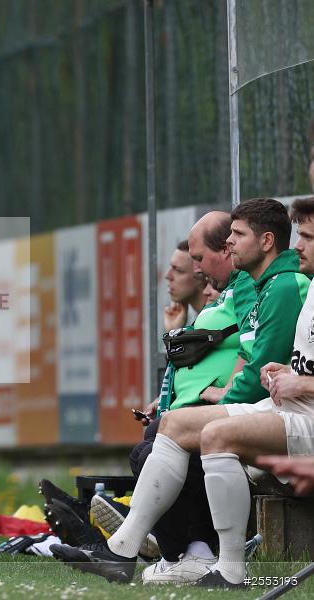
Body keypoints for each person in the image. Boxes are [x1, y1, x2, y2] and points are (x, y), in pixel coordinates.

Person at [52, 197, 310, 587]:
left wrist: (291, 382)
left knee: (201, 434)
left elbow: (259, 364)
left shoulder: (285, 286)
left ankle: (209, 559)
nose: (299, 246)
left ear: (266, 240)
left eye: (238, 235)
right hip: (286, 408)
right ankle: (124, 549)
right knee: (170, 425)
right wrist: (288, 374)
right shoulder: (276, 286)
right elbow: (276, 361)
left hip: (299, 415)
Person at [122, 223, 253, 585]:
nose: (194, 270)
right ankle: (175, 549)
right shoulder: (232, 294)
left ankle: (181, 549)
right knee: (152, 441)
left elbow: (255, 348)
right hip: (208, 411)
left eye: (194, 260)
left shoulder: (259, 287)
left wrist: (230, 392)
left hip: (244, 413)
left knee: (154, 445)